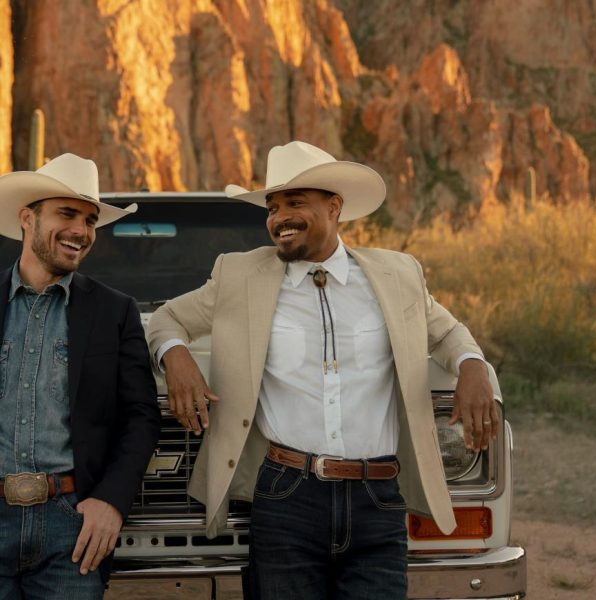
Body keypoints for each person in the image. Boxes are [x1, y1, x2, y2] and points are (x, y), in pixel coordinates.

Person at [147, 140, 498, 599]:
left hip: (379, 497)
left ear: (334, 207)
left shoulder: (396, 275)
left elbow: (449, 333)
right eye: (273, 208)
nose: (279, 218)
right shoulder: (240, 276)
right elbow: (165, 319)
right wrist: (177, 359)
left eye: (295, 203)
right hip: (286, 494)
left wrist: (473, 366)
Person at [0, 153, 161, 599]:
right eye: (67, 214)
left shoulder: (115, 311)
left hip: (72, 528)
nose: (82, 231)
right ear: (27, 219)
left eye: (90, 220)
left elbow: (141, 417)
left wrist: (111, 501)